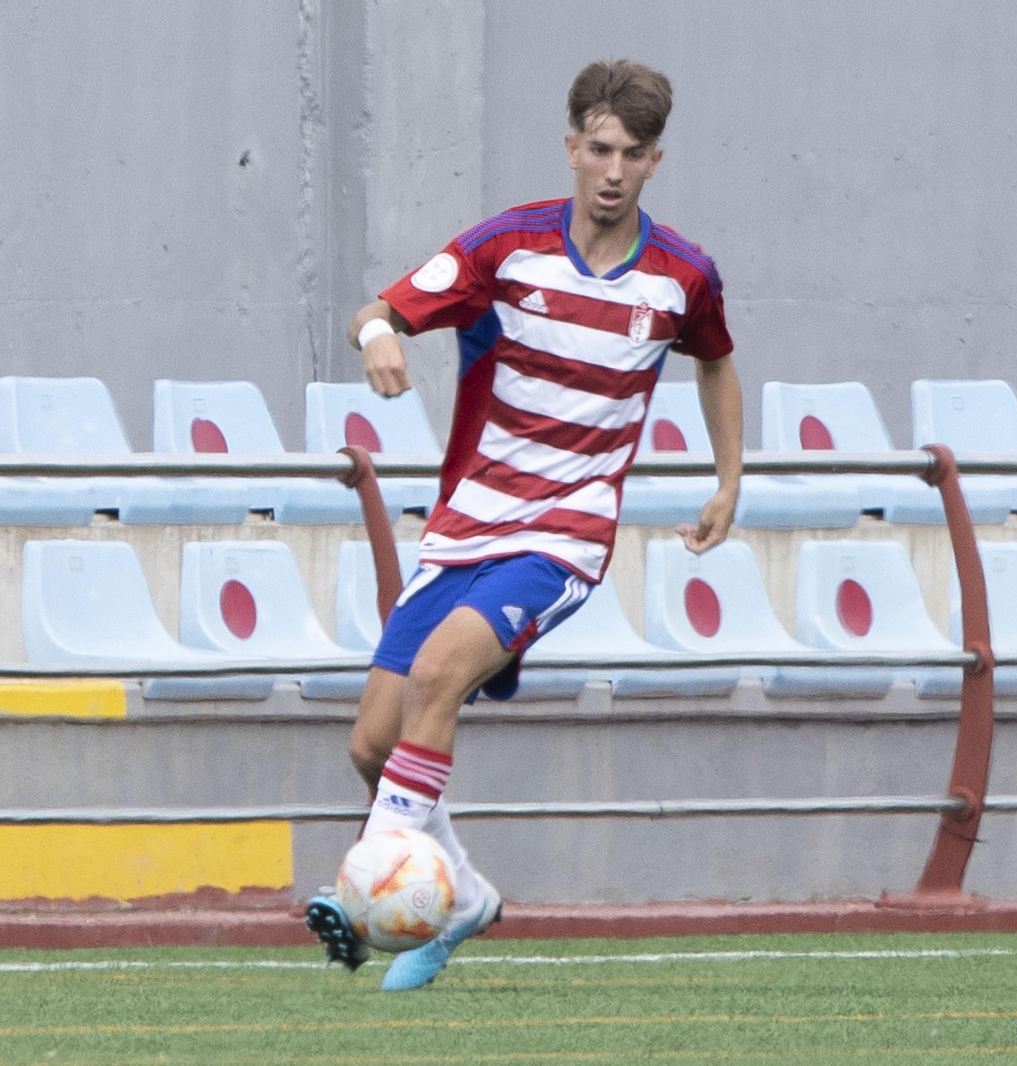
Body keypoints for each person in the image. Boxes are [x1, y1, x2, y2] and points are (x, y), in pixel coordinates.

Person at [305, 58, 743, 990]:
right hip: (467, 526)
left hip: (564, 536)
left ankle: (364, 878)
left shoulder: (682, 278)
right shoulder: (507, 248)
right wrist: (379, 336)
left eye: (631, 153)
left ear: (655, 160)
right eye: (598, 149)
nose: (612, 169)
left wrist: (728, 480)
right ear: (573, 146)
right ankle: (460, 894)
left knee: (438, 674)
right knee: (370, 744)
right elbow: (376, 310)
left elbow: (714, 362)